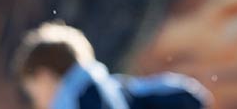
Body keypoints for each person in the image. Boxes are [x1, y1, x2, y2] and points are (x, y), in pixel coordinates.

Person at [12, 22, 210, 109]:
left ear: (45, 77)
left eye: (34, 93)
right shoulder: (113, 87)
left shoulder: (79, 96)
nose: (38, 104)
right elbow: (188, 96)